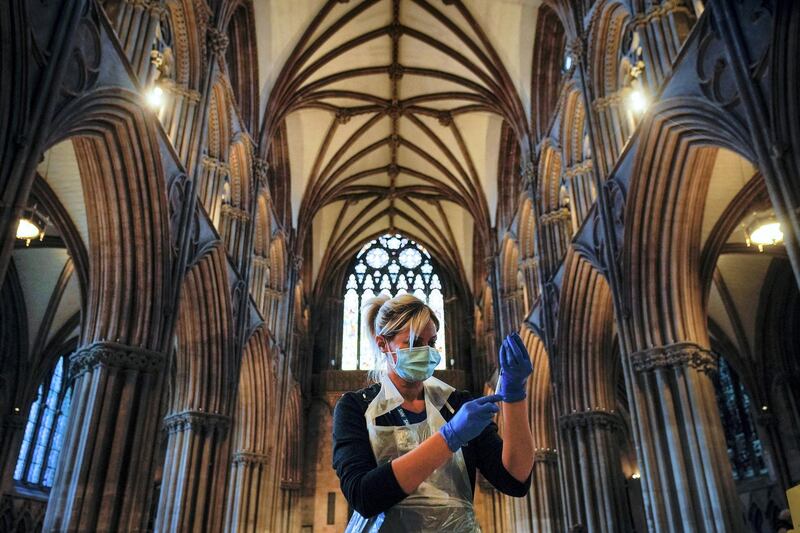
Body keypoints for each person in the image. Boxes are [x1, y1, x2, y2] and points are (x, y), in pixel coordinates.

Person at [332, 294, 534, 532]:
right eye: (414, 342)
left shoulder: (456, 404)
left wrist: (514, 398)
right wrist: (449, 437)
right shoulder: (356, 407)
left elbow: (515, 480)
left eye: (431, 342)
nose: (426, 351)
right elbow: (364, 496)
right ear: (383, 344)